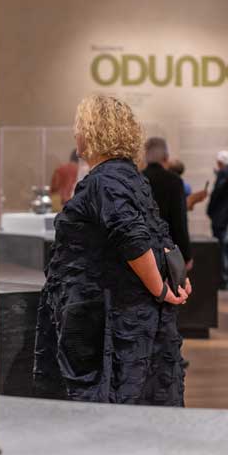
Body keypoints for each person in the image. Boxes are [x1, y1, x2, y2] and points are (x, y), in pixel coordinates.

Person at [33, 94, 191, 405]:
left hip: (105, 320)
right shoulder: (130, 177)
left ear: (92, 133)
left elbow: (132, 238)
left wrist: (161, 289)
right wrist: (173, 281)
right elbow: (156, 235)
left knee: (108, 405)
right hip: (124, 314)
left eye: (79, 128)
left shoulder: (104, 182)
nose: (76, 135)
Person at [143, 137, 192, 268]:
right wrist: (186, 255)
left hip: (143, 250)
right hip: (168, 249)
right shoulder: (174, 181)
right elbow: (179, 220)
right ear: (165, 157)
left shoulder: (138, 178)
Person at [207, 150, 228, 290]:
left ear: (221, 162)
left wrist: (210, 211)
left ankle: (223, 281)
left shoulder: (224, 173)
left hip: (220, 217)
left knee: (221, 250)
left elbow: (216, 195)